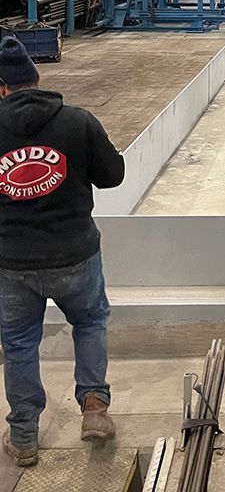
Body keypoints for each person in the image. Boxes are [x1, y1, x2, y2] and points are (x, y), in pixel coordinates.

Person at [0, 36, 125, 467]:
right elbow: (114, 176)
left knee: (18, 345)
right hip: (76, 256)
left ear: (2, 88)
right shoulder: (78, 122)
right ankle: (94, 409)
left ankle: (24, 438)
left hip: (12, 264)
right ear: (36, 78)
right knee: (89, 323)